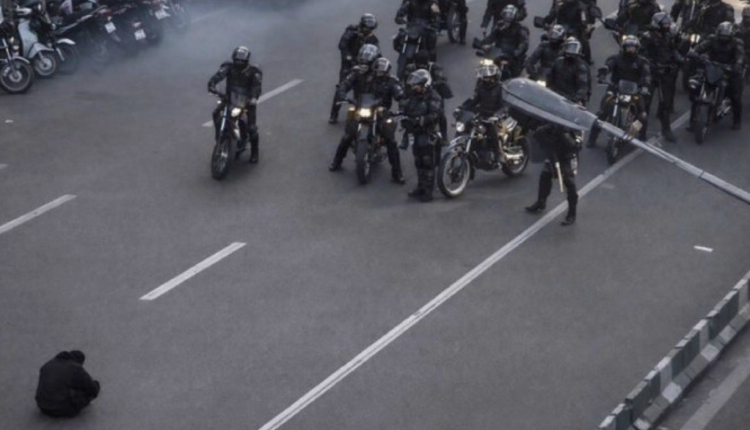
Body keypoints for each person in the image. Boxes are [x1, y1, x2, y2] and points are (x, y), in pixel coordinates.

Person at [329, 52, 406, 183]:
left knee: (391, 141)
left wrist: (402, 107)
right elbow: (345, 84)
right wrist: (343, 95)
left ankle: (397, 173)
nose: (379, 74)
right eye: (377, 71)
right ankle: (337, 162)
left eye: (382, 72)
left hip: (381, 112)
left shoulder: (392, 81)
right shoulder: (366, 77)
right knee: (347, 136)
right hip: (363, 108)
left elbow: (401, 96)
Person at [587, 35, 651, 147]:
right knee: (601, 113)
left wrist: (645, 86)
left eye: (633, 48)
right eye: (628, 47)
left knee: (643, 115)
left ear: (637, 49)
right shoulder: (616, 58)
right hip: (615, 88)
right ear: (624, 47)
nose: (630, 50)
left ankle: (642, 137)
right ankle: (592, 139)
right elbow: (608, 66)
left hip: (634, 91)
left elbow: (647, 75)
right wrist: (603, 73)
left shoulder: (642, 62)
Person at [208, 46, 263, 163]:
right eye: (237, 60)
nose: (239, 63)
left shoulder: (254, 72)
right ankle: (219, 136)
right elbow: (219, 75)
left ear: (246, 61)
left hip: (246, 102)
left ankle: (255, 152)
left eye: (241, 61)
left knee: (252, 128)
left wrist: (253, 98)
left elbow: (256, 87)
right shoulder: (228, 67)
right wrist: (212, 84)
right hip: (229, 100)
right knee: (216, 114)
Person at [687, 21, 744, 130]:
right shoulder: (712, 39)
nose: (723, 38)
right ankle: (692, 122)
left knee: (735, 95)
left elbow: (740, 55)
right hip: (711, 66)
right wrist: (694, 53)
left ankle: (737, 120)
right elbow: (700, 47)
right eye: (721, 36)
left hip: (729, 69)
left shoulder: (737, 42)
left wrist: (738, 65)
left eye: (725, 36)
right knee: (697, 89)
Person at [524, 123, 580, 226]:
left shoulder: (569, 126)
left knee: (569, 182)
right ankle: (541, 202)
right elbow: (538, 136)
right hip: (554, 155)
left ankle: (572, 213)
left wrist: (565, 136)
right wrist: (545, 131)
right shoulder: (550, 125)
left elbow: (575, 146)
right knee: (545, 175)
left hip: (567, 157)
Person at [400, 69, 443, 202]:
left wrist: (420, 120)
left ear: (425, 84)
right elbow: (405, 105)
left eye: (416, 85)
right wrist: (400, 114)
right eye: (413, 85)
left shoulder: (434, 96)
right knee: (418, 161)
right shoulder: (413, 95)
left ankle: (428, 191)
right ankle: (421, 186)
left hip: (427, 133)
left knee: (427, 162)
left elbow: (434, 115)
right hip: (415, 132)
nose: (413, 87)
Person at [329, 13, 379, 124]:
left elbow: (377, 52)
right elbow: (342, 45)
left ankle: (366, 111)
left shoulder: (372, 39)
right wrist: (349, 57)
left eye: (371, 29)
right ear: (362, 25)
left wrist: (377, 63)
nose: (369, 31)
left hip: (365, 65)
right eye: (367, 28)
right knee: (342, 87)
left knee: (366, 87)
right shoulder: (351, 32)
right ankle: (334, 114)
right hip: (349, 64)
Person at [640, 12, 682, 142]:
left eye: (668, 24)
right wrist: (651, 64)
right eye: (665, 24)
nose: (667, 26)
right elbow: (641, 54)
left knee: (665, 104)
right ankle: (641, 131)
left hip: (665, 73)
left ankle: (666, 129)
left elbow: (673, 51)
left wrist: (680, 59)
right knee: (645, 104)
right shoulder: (647, 37)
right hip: (651, 74)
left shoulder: (668, 37)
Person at [404, 50, 453, 160]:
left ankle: (444, 136)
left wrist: (427, 84)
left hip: (434, 92)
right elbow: (406, 82)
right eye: (419, 64)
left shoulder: (435, 67)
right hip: (416, 93)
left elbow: (439, 80)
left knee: (440, 114)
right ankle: (406, 137)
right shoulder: (410, 68)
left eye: (423, 64)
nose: (421, 66)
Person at [459, 63, 505, 164]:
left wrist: (497, 115)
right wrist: (462, 108)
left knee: (492, 131)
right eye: (484, 77)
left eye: (488, 77)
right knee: (469, 126)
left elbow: (504, 106)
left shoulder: (500, 88)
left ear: (494, 77)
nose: (485, 79)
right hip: (482, 116)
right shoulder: (481, 87)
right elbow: (475, 101)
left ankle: (498, 153)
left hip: (494, 118)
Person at [35, 350, 100, 418]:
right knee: (88, 389)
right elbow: (93, 390)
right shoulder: (75, 368)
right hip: (62, 409)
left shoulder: (47, 365)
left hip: (42, 407)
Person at [477, 5, 529, 78]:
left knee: (516, 75)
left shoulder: (520, 28)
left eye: (510, 16)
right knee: (484, 65)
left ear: (515, 17)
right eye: (506, 15)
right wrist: (481, 43)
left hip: (511, 55)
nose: (508, 18)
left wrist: (518, 51)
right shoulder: (499, 25)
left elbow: (524, 42)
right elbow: (491, 37)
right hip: (497, 52)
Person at [544, 0, 595, 64]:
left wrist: (586, 26)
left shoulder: (580, 7)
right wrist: (556, 10)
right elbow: (550, 18)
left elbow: (584, 20)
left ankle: (587, 59)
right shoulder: (559, 4)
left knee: (584, 41)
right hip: (560, 29)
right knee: (545, 37)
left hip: (575, 29)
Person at [547, 37, 591, 105]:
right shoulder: (558, 61)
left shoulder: (581, 67)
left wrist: (574, 99)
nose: (570, 55)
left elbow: (583, 87)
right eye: (569, 52)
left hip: (570, 98)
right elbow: (549, 77)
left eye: (573, 53)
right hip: (554, 93)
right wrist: (547, 89)